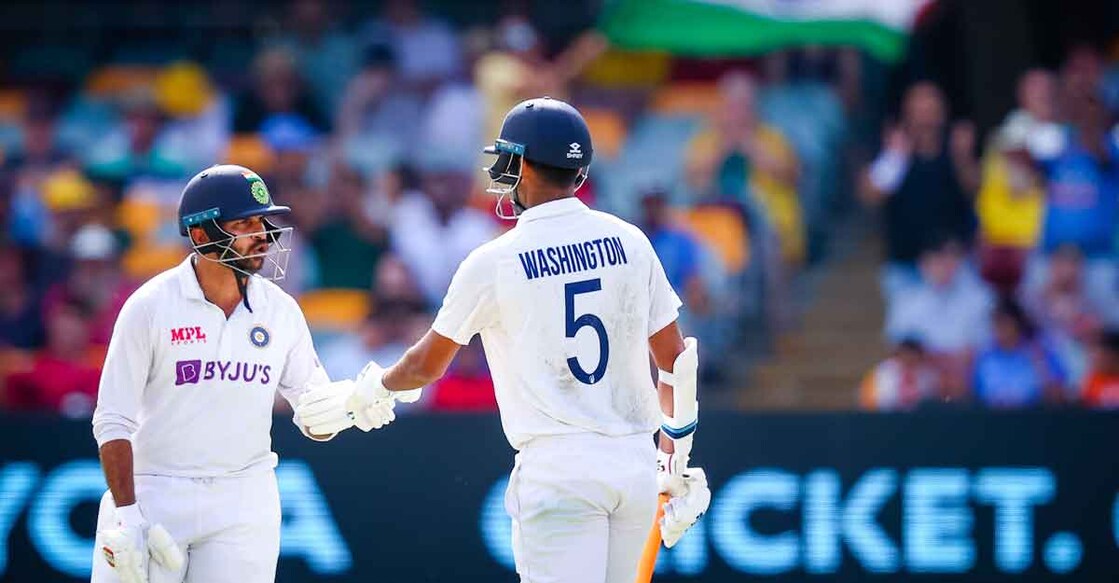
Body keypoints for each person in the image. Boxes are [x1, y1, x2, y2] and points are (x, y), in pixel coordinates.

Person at [297, 97, 711, 582]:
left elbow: (426, 365)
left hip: (559, 471)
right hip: (635, 466)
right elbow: (675, 364)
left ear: (528, 166)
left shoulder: (494, 261)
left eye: (510, 159)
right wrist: (674, 456)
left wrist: (363, 395)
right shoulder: (631, 241)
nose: (503, 172)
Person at [89, 165, 395, 583]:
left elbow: (313, 419)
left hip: (244, 496)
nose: (264, 235)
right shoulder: (150, 307)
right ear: (201, 235)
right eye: (246, 223)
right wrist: (127, 515)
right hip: (155, 492)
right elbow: (112, 420)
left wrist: (348, 407)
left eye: (263, 222)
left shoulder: (281, 310)